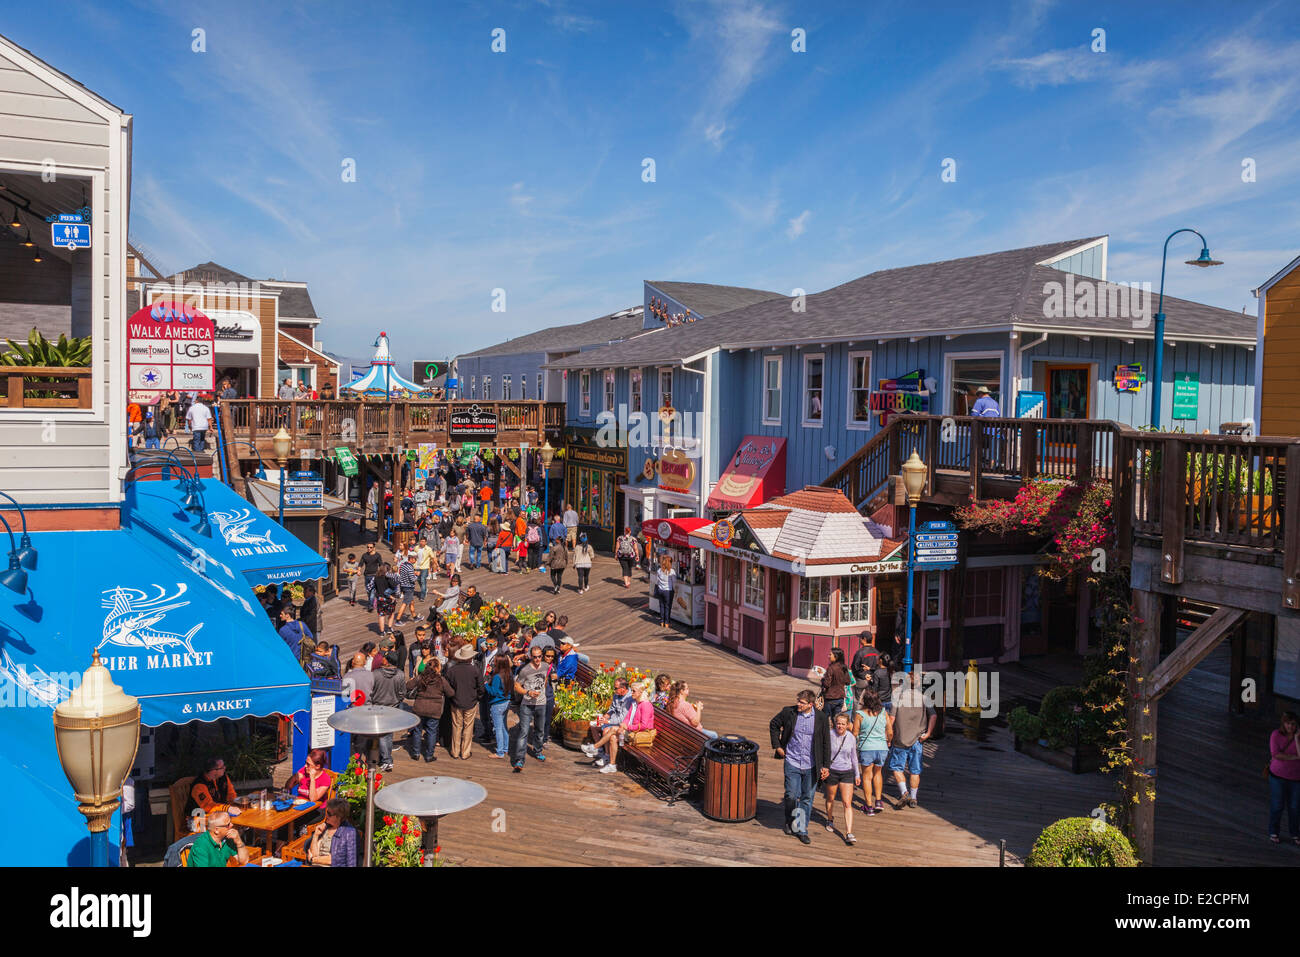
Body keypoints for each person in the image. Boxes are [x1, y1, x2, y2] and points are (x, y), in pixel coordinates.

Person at [769, 690, 831, 844]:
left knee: (807, 798)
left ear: (810, 704)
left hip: (812, 765)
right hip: (792, 760)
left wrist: (825, 766)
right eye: (798, 701)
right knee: (790, 795)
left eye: (802, 703)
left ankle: (801, 829)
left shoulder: (821, 718)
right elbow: (774, 725)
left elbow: (826, 743)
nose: (798, 704)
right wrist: (777, 746)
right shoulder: (788, 712)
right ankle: (789, 821)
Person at [888, 669, 936, 809]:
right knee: (915, 770)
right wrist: (928, 733)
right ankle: (913, 798)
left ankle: (904, 792)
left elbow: (892, 718)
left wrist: (888, 736)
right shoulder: (924, 697)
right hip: (917, 739)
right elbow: (933, 716)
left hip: (900, 739)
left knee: (897, 768)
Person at [822, 711, 862, 846]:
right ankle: (829, 818)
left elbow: (854, 757)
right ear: (834, 724)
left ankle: (849, 832)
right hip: (832, 771)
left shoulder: (851, 737)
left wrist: (857, 774)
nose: (840, 726)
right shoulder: (829, 735)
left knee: (847, 803)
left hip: (847, 772)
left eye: (843, 724)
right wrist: (823, 768)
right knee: (830, 798)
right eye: (838, 723)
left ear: (847, 725)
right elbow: (824, 753)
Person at [581, 677, 637, 771]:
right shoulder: (616, 695)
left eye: (615, 688)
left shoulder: (629, 699)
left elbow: (623, 719)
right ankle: (600, 750)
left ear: (623, 689)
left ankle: (606, 756)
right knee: (594, 726)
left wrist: (609, 722)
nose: (614, 690)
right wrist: (606, 716)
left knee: (606, 731)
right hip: (612, 720)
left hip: (620, 724)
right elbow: (612, 709)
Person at [511, 645, 551, 772]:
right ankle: (519, 760)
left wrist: (541, 692)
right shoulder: (525, 670)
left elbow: (544, 681)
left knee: (540, 730)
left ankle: (538, 750)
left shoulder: (546, 666)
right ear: (530, 657)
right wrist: (528, 692)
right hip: (527, 704)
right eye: (535, 657)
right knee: (524, 732)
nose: (537, 659)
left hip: (541, 703)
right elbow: (516, 686)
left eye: (540, 656)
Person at [854, 690, 893, 816]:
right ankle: (878, 801)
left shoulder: (860, 714)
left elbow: (855, 733)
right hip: (881, 747)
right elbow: (890, 731)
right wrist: (888, 741)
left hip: (866, 748)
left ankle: (869, 806)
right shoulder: (883, 713)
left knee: (866, 776)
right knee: (878, 773)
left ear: (865, 700)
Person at [405, 657, 452, 763]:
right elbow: (451, 693)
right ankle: (429, 755)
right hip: (434, 710)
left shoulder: (421, 677)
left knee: (417, 731)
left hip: (419, 707)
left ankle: (416, 753)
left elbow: (408, 686)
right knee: (432, 732)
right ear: (437, 668)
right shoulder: (441, 680)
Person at [444, 644, 485, 759]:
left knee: (456, 726)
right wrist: (477, 698)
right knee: (468, 727)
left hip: (456, 702)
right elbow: (481, 688)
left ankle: (455, 751)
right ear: (470, 658)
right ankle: (465, 752)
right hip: (471, 702)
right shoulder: (475, 670)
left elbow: (447, 687)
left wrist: (452, 697)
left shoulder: (452, 670)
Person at [369, 654, 407, 771]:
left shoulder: (375, 674)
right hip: (393, 707)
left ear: (387, 661)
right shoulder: (400, 674)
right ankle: (385, 757)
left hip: (378, 707)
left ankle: (387, 760)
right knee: (388, 735)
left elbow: (371, 690)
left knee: (381, 735)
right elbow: (402, 693)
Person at [1268, 710, 1300, 845]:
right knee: (1277, 805)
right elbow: (1275, 754)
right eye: (1288, 724)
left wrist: (1297, 738)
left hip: (1296, 777)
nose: (1290, 727)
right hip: (1277, 775)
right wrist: (1294, 757)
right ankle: (1273, 831)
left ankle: (1295, 833)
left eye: (1293, 724)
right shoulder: (1275, 735)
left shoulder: (1299, 736)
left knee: (1295, 807)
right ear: (1283, 723)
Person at [306, 797, 357, 866]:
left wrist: (313, 860)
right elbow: (314, 853)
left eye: (329, 814)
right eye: (327, 812)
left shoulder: (348, 833)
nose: (326, 815)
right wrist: (316, 835)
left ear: (339, 817)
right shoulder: (325, 828)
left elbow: (336, 859)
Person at [485, 654, 514, 759]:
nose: (494, 662)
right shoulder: (509, 673)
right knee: (503, 726)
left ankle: (500, 752)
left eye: (495, 661)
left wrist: (485, 684)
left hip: (497, 704)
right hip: (506, 702)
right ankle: (505, 748)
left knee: (498, 728)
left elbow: (493, 692)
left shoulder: (497, 677)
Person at [820, 647, 850, 725]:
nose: (828, 656)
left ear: (836, 656)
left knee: (824, 721)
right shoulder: (844, 667)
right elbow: (848, 681)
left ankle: (825, 736)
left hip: (830, 698)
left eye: (830, 654)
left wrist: (823, 679)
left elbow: (827, 684)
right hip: (840, 698)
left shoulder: (831, 668)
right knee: (836, 721)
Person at [540, 646, 558, 746]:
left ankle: (545, 738)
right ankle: (538, 737)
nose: (550, 658)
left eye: (552, 656)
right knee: (539, 718)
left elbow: (555, 683)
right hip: (539, 696)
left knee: (547, 719)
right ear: (543, 656)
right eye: (548, 656)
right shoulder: (539, 666)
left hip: (549, 696)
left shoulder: (553, 666)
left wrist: (555, 679)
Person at [395, 553, 420, 625]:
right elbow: (412, 579)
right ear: (411, 558)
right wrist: (417, 575)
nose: (416, 560)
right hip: (409, 587)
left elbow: (402, 574)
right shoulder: (410, 567)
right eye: (415, 559)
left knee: (411, 602)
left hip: (403, 586)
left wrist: (413, 573)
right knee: (405, 603)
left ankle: (415, 617)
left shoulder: (403, 564)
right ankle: (397, 620)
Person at [652, 555, 675, 628]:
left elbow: (657, 581)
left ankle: (662, 621)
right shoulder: (671, 571)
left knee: (662, 606)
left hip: (660, 590)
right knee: (668, 607)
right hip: (668, 591)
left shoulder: (659, 570)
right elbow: (674, 581)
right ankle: (667, 622)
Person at [360, 542, 382, 611]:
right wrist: (358, 570)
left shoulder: (377, 555)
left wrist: (381, 573)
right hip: (366, 575)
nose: (369, 548)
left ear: (374, 548)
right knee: (368, 590)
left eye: (371, 547)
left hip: (374, 575)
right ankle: (371, 601)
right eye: (368, 547)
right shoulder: (364, 555)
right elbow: (361, 564)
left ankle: (370, 605)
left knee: (372, 591)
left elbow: (381, 564)